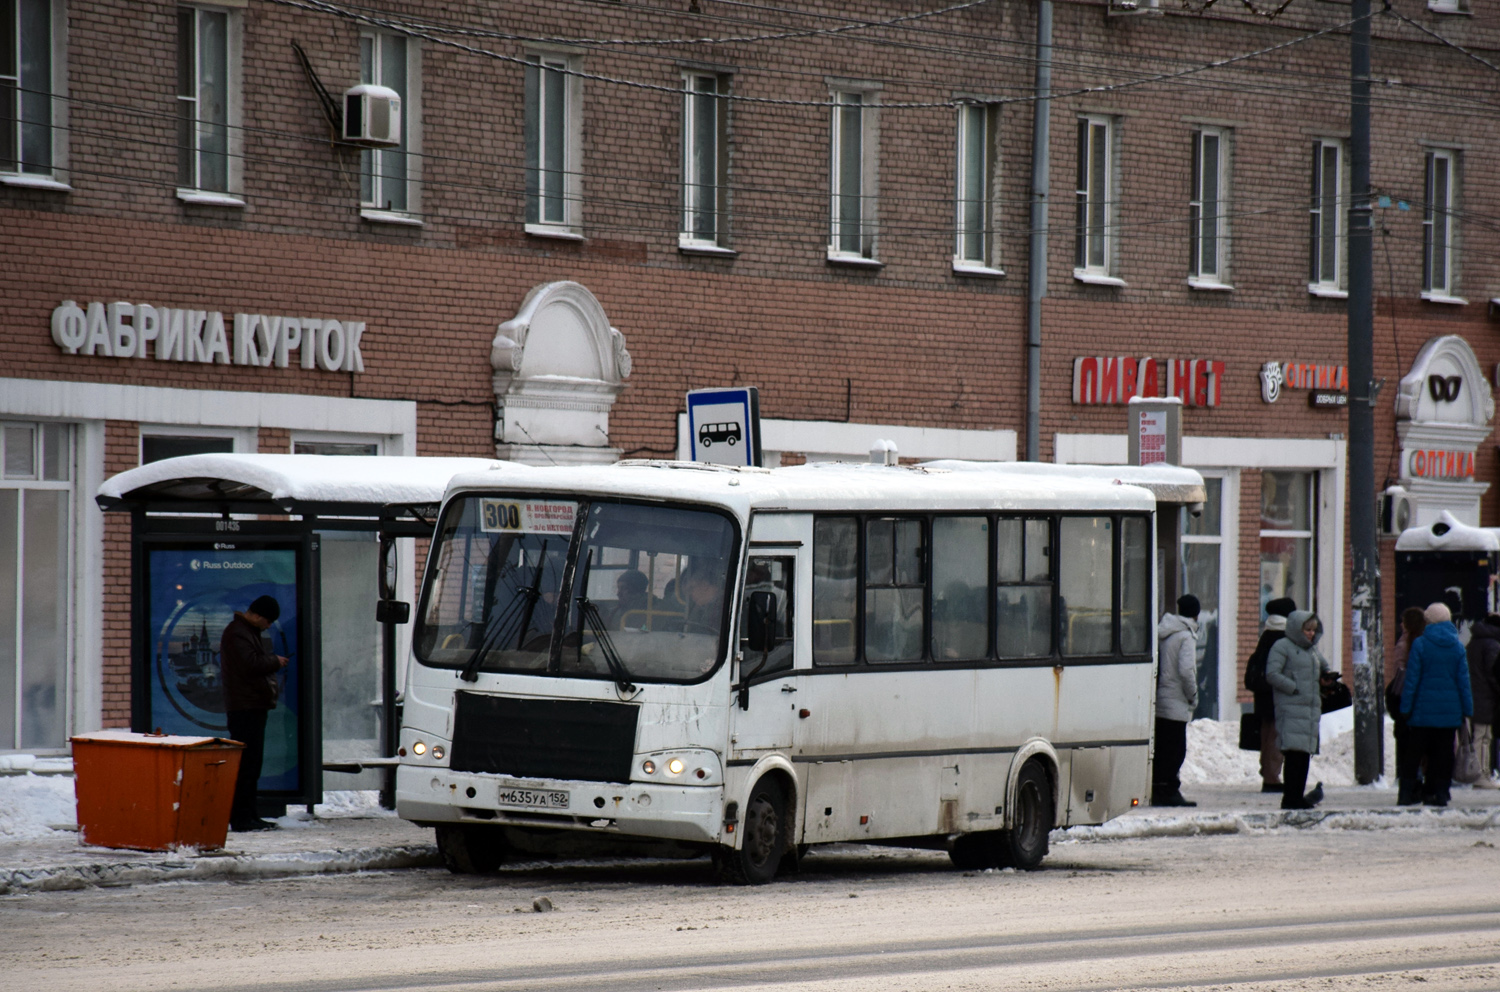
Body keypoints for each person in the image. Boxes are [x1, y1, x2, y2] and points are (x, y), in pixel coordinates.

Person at [221, 595, 289, 832]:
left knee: (251, 764)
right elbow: (250, 664)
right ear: (258, 615)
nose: (269, 626)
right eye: (268, 621)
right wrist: (274, 661)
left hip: (251, 706)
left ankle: (249, 816)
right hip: (245, 708)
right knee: (247, 765)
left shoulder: (245, 631)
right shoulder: (238, 632)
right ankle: (242, 819)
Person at [1401, 602, 1474, 807]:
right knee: (1443, 754)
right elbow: (1463, 681)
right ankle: (1440, 793)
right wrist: (1467, 710)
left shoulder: (1421, 644)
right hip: (1450, 712)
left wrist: (1406, 708)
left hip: (1423, 712)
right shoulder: (1458, 647)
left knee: (1415, 753)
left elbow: (1412, 680)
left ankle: (1406, 794)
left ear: (1428, 621)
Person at [1265, 610, 1333, 810]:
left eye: (1313, 630)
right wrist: (1293, 687)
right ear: (1297, 628)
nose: (1311, 634)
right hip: (1291, 708)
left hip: (1309, 711)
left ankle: (1297, 797)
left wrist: (1327, 677)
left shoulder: (1311, 651)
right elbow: (1272, 674)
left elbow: (1323, 666)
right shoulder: (1282, 647)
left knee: (1303, 756)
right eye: (1307, 629)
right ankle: (1291, 798)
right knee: (1294, 756)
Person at [1245, 597, 1297, 793]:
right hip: (1278, 693)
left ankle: (1268, 772)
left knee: (1268, 733)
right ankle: (1272, 778)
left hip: (1263, 694)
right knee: (1276, 736)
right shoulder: (1284, 637)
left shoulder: (1266, 634)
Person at [1153, 594, 1200, 808]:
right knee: (1176, 750)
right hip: (1176, 700)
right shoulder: (1186, 636)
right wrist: (1193, 695)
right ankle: (1169, 790)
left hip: (1161, 697)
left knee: (1162, 748)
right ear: (1196, 614)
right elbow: (1186, 670)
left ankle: (1157, 788)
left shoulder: (1165, 632)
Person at [1387, 607, 1427, 805]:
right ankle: (1420, 786)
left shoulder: (1405, 643)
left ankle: (1409, 789)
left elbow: (1399, 674)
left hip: (1405, 700)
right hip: (1420, 702)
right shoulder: (1424, 642)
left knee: (1408, 750)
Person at [1465, 613, 1500, 789]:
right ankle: (1481, 774)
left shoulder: (1474, 642)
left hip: (1476, 694)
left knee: (1481, 735)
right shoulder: (1492, 645)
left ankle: (1481, 774)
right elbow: (1494, 672)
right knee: (1483, 736)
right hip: (1486, 696)